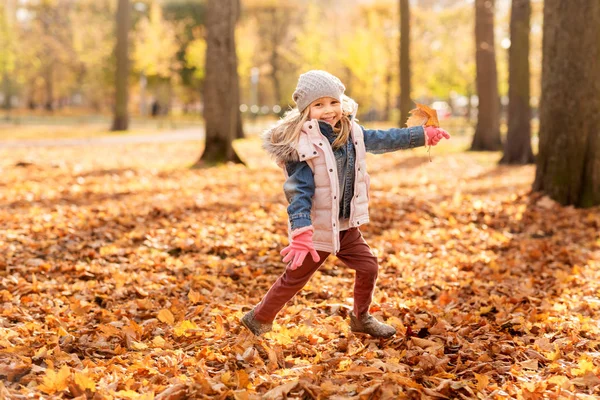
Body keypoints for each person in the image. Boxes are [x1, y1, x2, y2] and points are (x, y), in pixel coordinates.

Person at [241, 70, 450, 338]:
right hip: (315, 229)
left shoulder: (352, 132)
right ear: (306, 109)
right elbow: (298, 189)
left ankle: (361, 317)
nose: (328, 110)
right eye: (318, 105)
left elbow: (385, 139)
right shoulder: (302, 145)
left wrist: (421, 135)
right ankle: (258, 318)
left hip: (345, 224)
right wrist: (301, 228)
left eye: (333, 102)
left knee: (369, 266)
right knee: (295, 278)